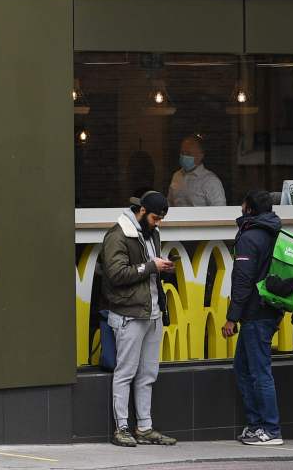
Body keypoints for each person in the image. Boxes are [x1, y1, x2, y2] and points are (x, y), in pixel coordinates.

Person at [100, 190, 177, 448]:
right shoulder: (117, 235)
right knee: (126, 372)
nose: (158, 223)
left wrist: (162, 267)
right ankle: (121, 427)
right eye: (155, 217)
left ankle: (144, 426)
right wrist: (151, 267)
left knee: (147, 374)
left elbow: (147, 269)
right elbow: (116, 274)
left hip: (151, 312)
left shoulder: (150, 232)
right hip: (129, 314)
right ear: (142, 211)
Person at [224, 189, 284, 446]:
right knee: (243, 368)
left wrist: (231, 318)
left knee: (260, 372)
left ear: (249, 208)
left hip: (255, 312)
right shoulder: (273, 232)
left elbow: (243, 280)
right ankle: (256, 425)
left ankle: (270, 429)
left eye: (243, 203)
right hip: (268, 308)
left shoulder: (250, 237)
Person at [167, 135, 226, 207]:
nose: (184, 156)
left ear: (200, 156)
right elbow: (170, 204)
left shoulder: (210, 181)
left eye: (188, 154)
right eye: (182, 153)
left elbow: (220, 210)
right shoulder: (176, 176)